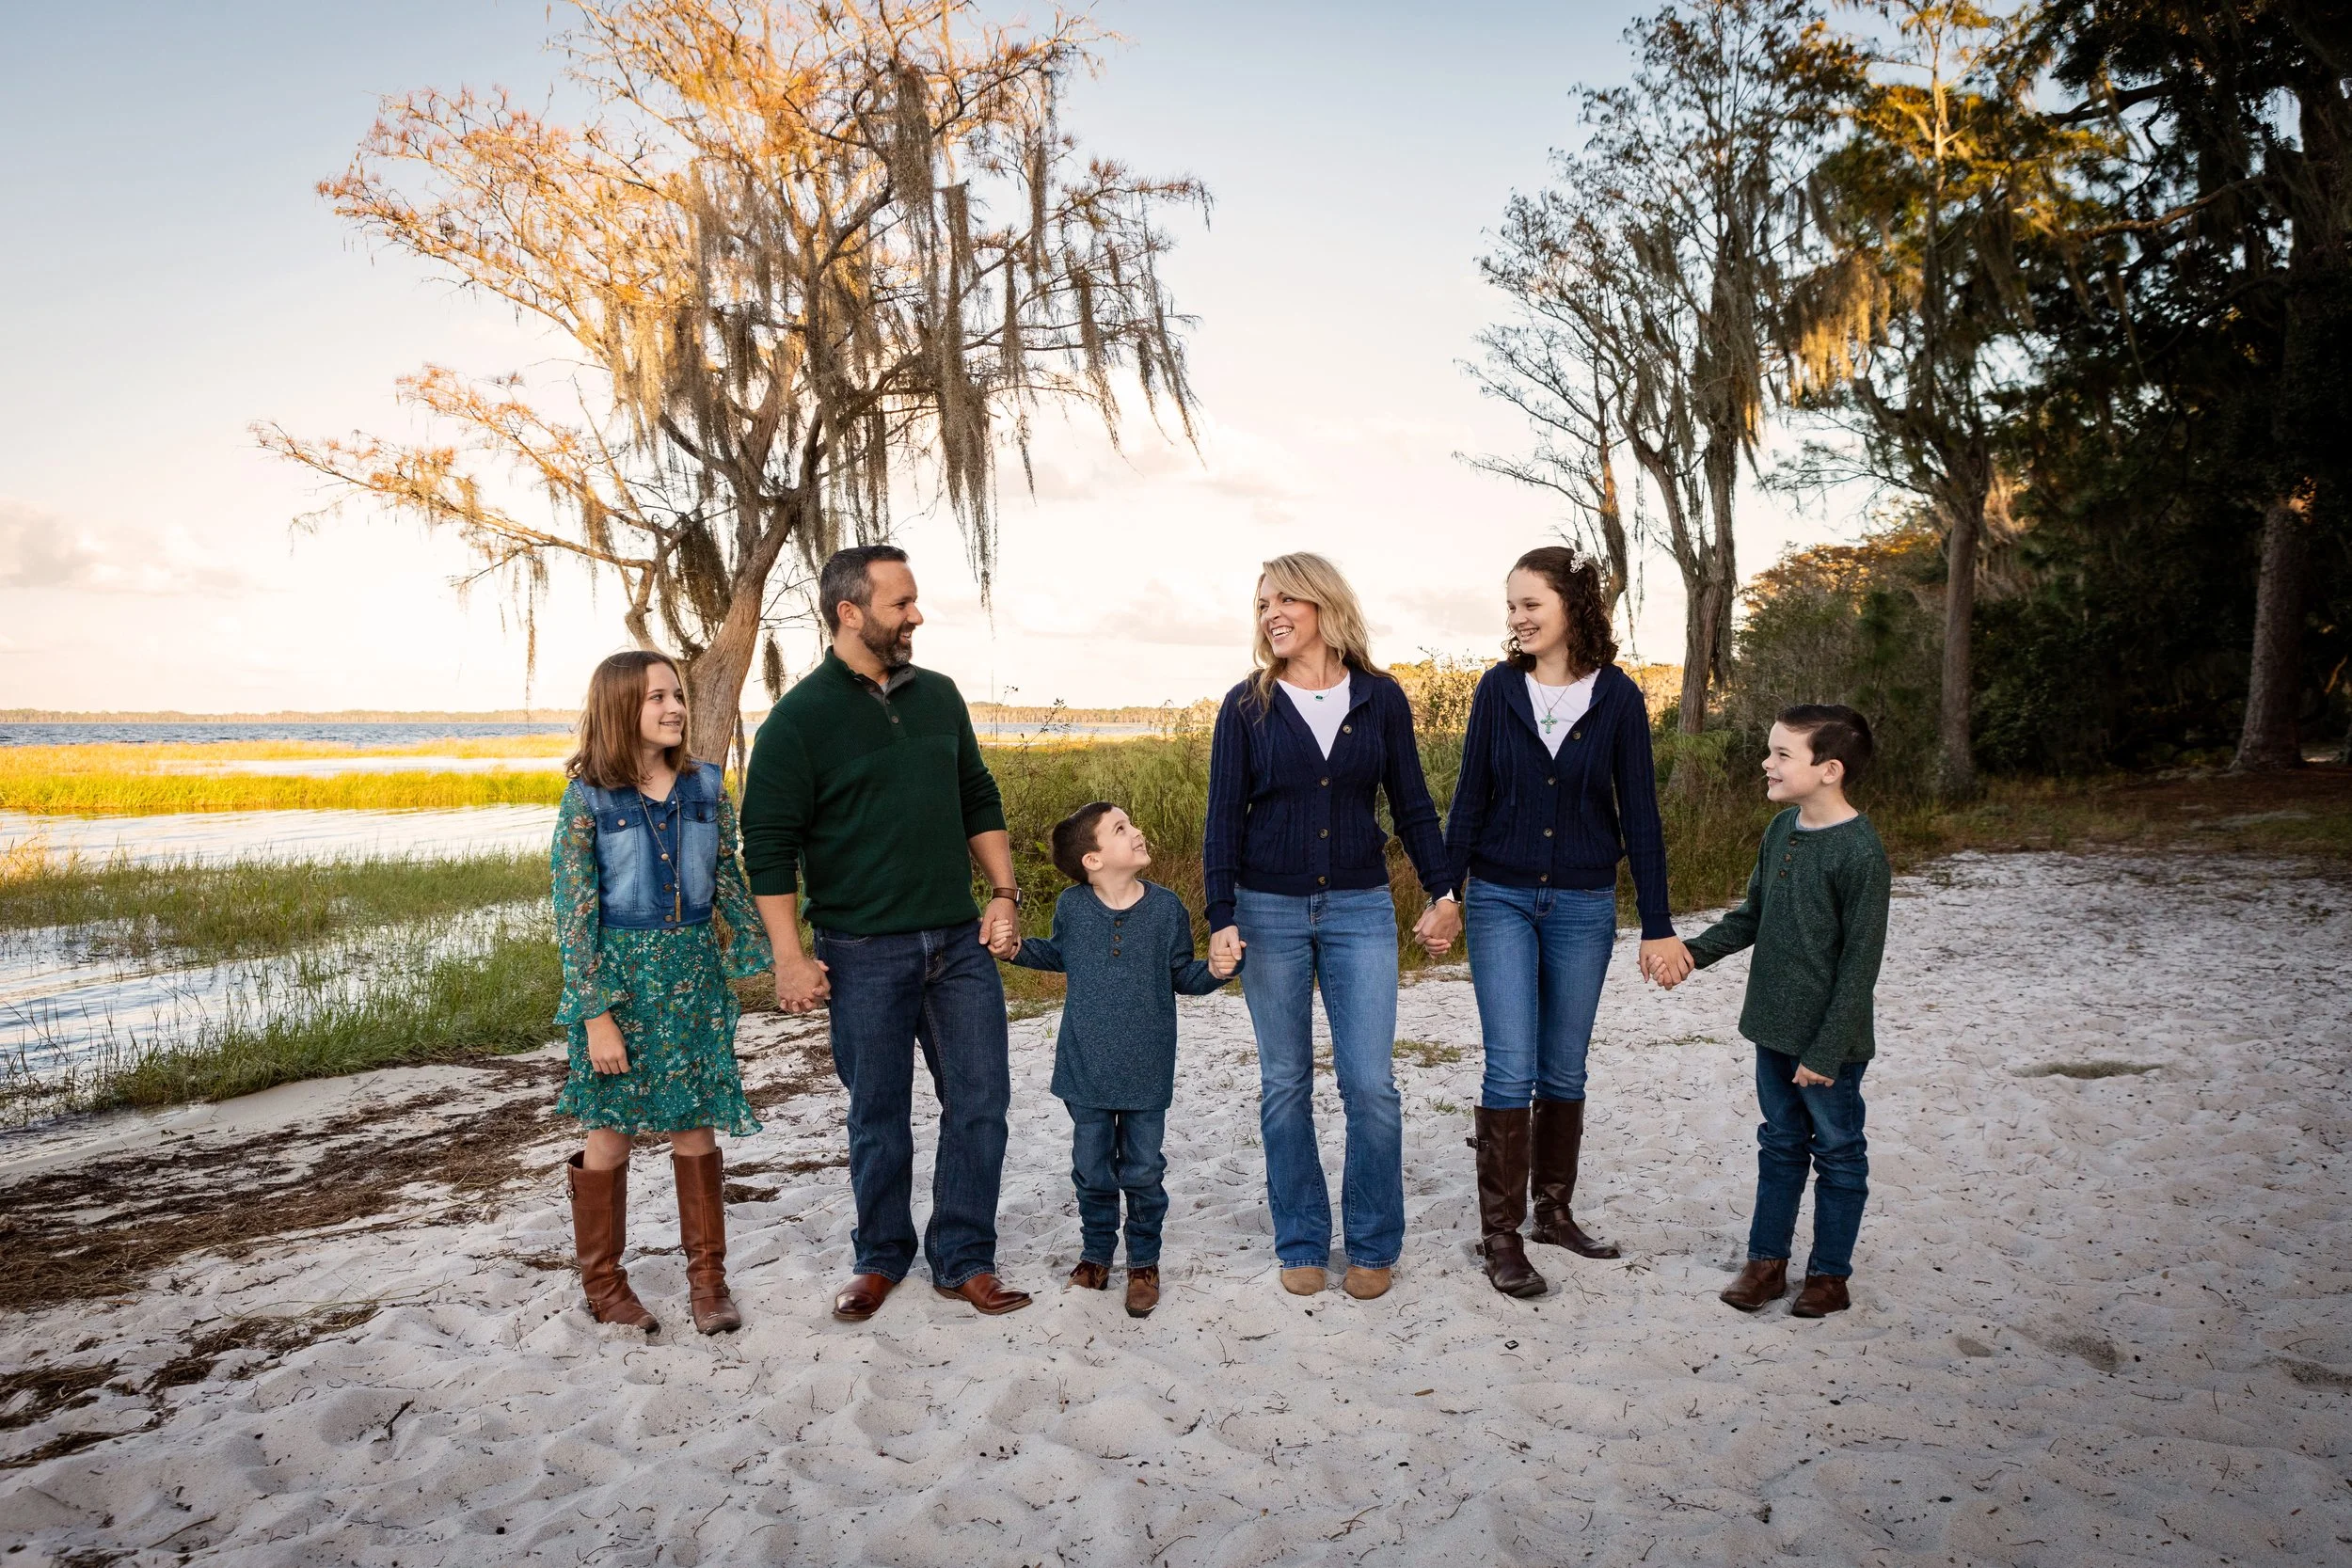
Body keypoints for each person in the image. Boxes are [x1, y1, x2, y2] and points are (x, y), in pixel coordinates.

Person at [739, 545, 1032, 1323]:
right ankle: (880, 1257)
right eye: (901, 603)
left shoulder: (938, 696)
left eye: (913, 600)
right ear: (849, 612)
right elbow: (766, 846)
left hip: (957, 943)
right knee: (878, 1112)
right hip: (862, 950)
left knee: (982, 1100)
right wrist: (790, 956)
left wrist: (1003, 892)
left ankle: (964, 1258)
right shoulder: (797, 722)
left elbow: (977, 793)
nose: (916, 615)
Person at [1421, 546, 1692, 1298]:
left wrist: (1659, 922)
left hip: (1582, 903)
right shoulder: (1497, 691)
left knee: (1564, 1067)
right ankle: (1500, 1235)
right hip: (1502, 899)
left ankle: (1554, 1213)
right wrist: (1447, 890)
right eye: (1510, 605)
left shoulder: (1619, 698)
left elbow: (1640, 815)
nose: (1517, 618)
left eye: (1531, 603)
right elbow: (1468, 800)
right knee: (1510, 1063)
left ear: (1572, 605)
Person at [1203, 552, 1456, 1302]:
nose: (1271, 613)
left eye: (1285, 597)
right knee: (1284, 1084)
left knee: (1369, 1084)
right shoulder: (1245, 706)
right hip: (1267, 909)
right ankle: (1303, 1238)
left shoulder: (1380, 698)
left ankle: (1374, 1242)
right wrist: (1221, 916)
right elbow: (1222, 819)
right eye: (1261, 604)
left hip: (1358, 909)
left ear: (1323, 604)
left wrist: (1444, 889)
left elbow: (1411, 803)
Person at [552, 650, 771, 1337]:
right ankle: (604, 1284)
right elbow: (573, 914)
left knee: (694, 1125)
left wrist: (777, 961)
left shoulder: (707, 786)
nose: (676, 706)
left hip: (693, 982)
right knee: (610, 1132)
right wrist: (596, 1016)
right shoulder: (590, 795)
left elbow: (729, 884)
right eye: (657, 697)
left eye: (677, 694)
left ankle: (708, 1280)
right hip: (620, 985)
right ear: (622, 708)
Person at [1664, 705, 1891, 1319]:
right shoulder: (1781, 831)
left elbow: (1859, 967)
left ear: (1829, 770)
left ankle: (1828, 1276)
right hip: (1771, 1027)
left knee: (1839, 1153)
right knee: (1781, 1144)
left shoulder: (1861, 854)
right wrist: (1692, 953)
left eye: (1782, 754)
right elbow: (1752, 915)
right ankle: (1766, 1263)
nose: (1766, 762)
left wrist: (1826, 1051)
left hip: (1828, 1046)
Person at [1009, 802, 1241, 1319]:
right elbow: (1059, 954)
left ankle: (1143, 1264)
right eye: (1121, 828)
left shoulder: (1167, 909)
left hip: (1147, 1068)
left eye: (1132, 823)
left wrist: (1219, 969)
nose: (1136, 831)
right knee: (1091, 1171)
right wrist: (1016, 949)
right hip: (1084, 1067)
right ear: (1093, 859)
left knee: (1142, 1171)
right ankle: (1096, 1254)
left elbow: (1183, 975)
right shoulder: (1072, 907)